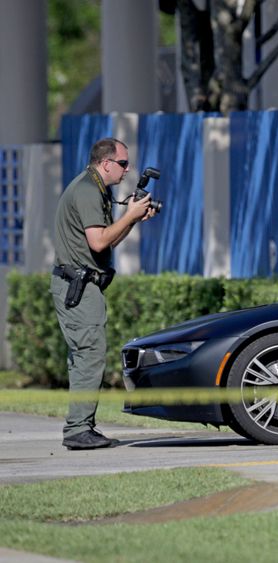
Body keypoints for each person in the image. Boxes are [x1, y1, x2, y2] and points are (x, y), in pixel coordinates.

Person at [51, 138, 156, 450]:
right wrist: (129, 216)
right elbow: (98, 242)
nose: (126, 169)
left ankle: (81, 426)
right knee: (89, 354)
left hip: (84, 285)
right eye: (123, 163)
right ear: (106, 163)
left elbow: (108, 242)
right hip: (78, 287)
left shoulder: (97, 188)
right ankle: (77, 430)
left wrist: (132, 219)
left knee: (86, 355)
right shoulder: (86, 191)